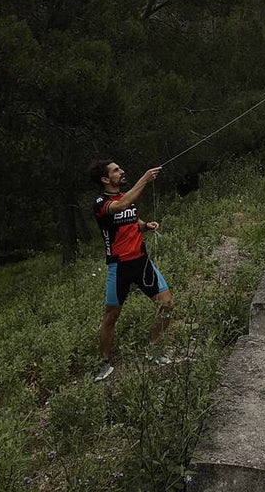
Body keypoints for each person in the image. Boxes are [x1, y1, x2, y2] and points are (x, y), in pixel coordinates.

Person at [88, 158, 174, 382]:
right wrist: (145, 179)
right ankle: (104, 363)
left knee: (167, 304)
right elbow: (119, 207)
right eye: (117, 171)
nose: (122, 172)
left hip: (142, 261)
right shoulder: (101, 203)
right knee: (111, 316)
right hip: (119, 267)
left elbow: (131, 218)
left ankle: (153, 351)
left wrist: (145, 226)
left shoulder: (126, 199)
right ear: (106, 179)